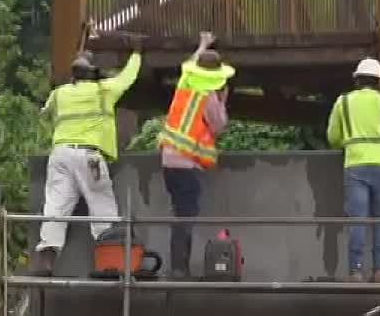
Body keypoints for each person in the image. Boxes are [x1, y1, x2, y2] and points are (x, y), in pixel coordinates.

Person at [34, 38, 143, 275]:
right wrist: (136, 54)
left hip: (60, 154)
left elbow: (44, 113)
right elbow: (127, 78)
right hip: (88, 156)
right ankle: (110, 260)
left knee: (55, 206)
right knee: (101, 204)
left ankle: (46, 260)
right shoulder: (103, 91)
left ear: (73, 76)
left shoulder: (59, 94)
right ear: (93, 75)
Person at [158, 32, 234, 277]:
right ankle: (179, 269)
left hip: (168, 161)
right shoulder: (209, 97)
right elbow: (218, 126)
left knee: (180, 213)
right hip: (188, 164)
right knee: (185, 218)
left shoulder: (185, 85)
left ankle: (180, 268)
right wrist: (223, 101)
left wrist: (202, 45)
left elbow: (189, 64)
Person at [326, 58, 380, 282]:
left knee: (358, 220)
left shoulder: (343, 102)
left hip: (355, 164)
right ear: (379, 80)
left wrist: (346, 143)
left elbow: (332, 136)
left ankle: (356, 271)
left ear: (356, 79)